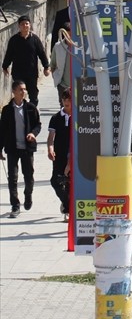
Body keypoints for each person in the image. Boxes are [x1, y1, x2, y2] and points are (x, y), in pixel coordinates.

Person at [1, 80, 41, 217]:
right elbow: (2, 131)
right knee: (12, 178)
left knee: (28, 176)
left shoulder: (31, 108)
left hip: (27, 148)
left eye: (24, 89)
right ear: (13, 91)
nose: (23, 92)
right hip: (12, 148)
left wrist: (33, 134)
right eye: (20, 90)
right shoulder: (6, 110)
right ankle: (15, 205)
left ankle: (28, 195)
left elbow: (38, 125)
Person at [3, 15, 51, 108]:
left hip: (32, 73)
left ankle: (32, 112)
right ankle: (20, 111)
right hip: (18, 73)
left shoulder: (35, 39)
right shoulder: (14, 40)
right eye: (22, 24)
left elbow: (41, 53)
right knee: (19, 93)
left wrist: (46, 67)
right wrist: (5, 66)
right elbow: (9, 54)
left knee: (33, 94)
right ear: (19, 26)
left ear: (30, 25)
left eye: (27, 23)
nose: (25, 26)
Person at [47, 90, 72, 221]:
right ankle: (68, 206)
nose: (66, 104)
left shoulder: (78, 117)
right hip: (59, 155)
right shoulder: (56, 118)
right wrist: (50, 148)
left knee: (69, 183)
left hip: (73, 155)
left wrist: (70, 162)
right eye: (64, 102)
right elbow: (51, 137)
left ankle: (68, 210)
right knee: (55, 181)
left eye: (69, 102)